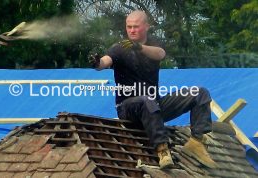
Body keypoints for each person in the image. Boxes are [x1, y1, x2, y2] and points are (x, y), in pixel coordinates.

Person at [89, 10, 217, 169]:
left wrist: (139, 48)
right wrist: (97, 63)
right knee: (146, 99)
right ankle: (162, 151)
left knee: (200, 92)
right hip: (128, 109)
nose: (132, 30)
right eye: (129, 27)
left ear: (147, 27)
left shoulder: (154, 45)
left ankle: (197, 142)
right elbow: (105, 62)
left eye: (136, 26)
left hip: (154, 106)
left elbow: (160, 54)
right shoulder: (119, 48)